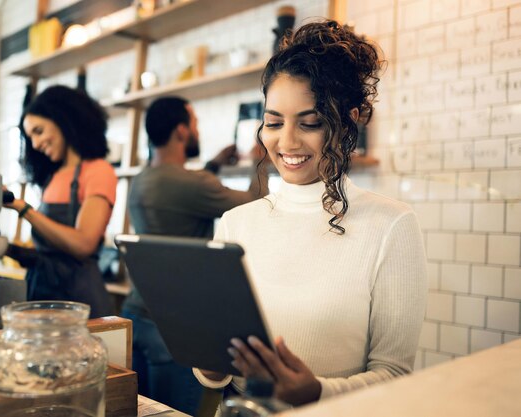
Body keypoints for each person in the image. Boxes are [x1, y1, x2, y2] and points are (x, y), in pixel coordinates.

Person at [194, 19, 427, 407]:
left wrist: (316, 392)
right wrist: (213, 366)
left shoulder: (391, 225)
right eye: (273, 122)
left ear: (348, 120)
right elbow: (213, 370)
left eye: (311, 123)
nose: (286, 142)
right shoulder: (237, 222)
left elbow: (394, 375)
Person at [121, 96, 269, 414]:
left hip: (136, 316)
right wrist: (262, 160)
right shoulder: (193, 184)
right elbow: (255, 202)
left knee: (139, 411)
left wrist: (213, 165)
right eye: (195, 123)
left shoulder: (142, 180)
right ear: (181, 131)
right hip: (174, 330)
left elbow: (186, 188)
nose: (196, 130)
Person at [3, 85, 116, 318]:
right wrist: (7, 248)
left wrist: (22, 208)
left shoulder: (98, 171)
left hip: (79, 301)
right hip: (42, 296)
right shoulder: (53, 177)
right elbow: (50, 253)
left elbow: (82, 244)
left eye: (39, 131)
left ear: (63, 120)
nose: (35, 144)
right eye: (30, 136)